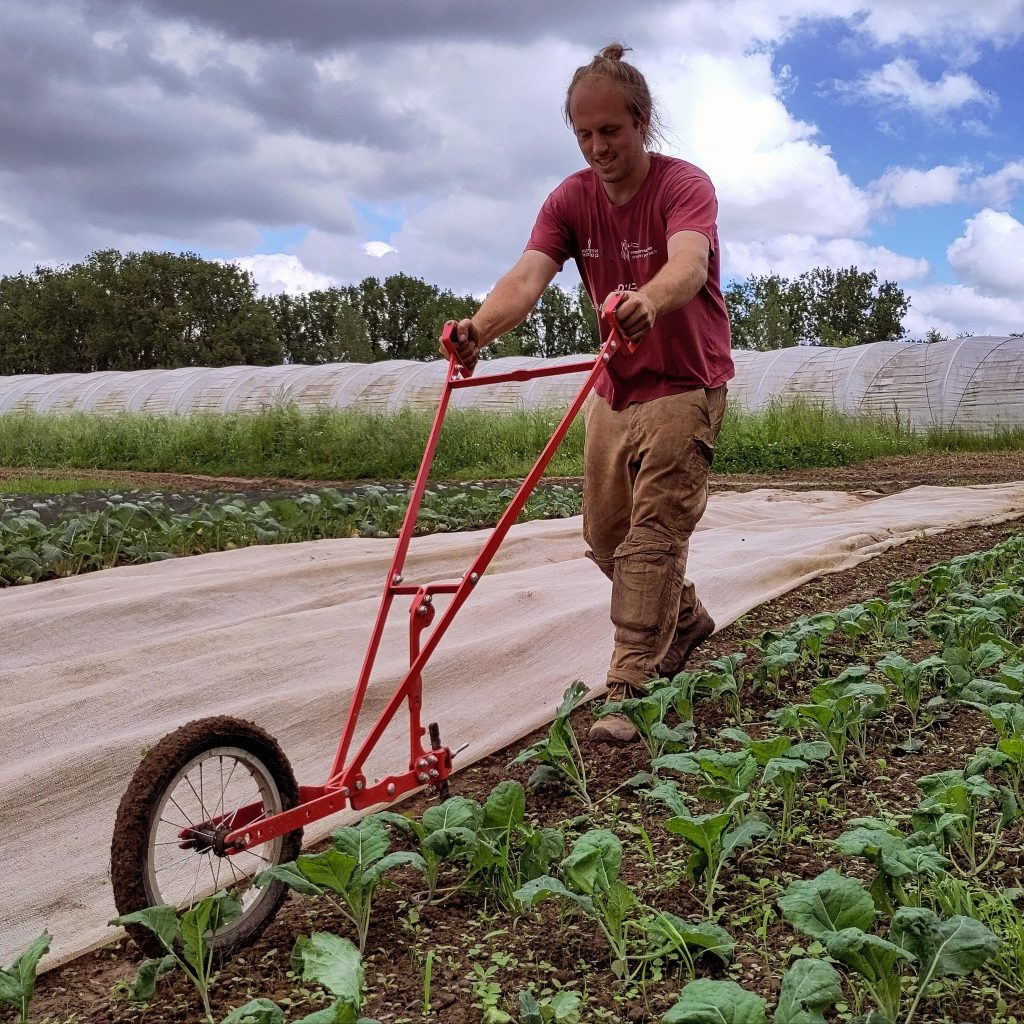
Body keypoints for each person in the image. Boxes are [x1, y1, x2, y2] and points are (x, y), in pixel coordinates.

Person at [445, 43, 734, 744]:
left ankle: (629, 684)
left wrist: (648, 300)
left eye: (611, 130)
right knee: (605, 536)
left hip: (686, 380)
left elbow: (689, 265)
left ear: (641, 123)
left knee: (652, 535)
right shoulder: (570, 201)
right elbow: (526, 277)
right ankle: (686, 619)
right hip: (618, 385)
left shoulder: (682, 184)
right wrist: (478, 329)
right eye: (584, 133)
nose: (598, 146)